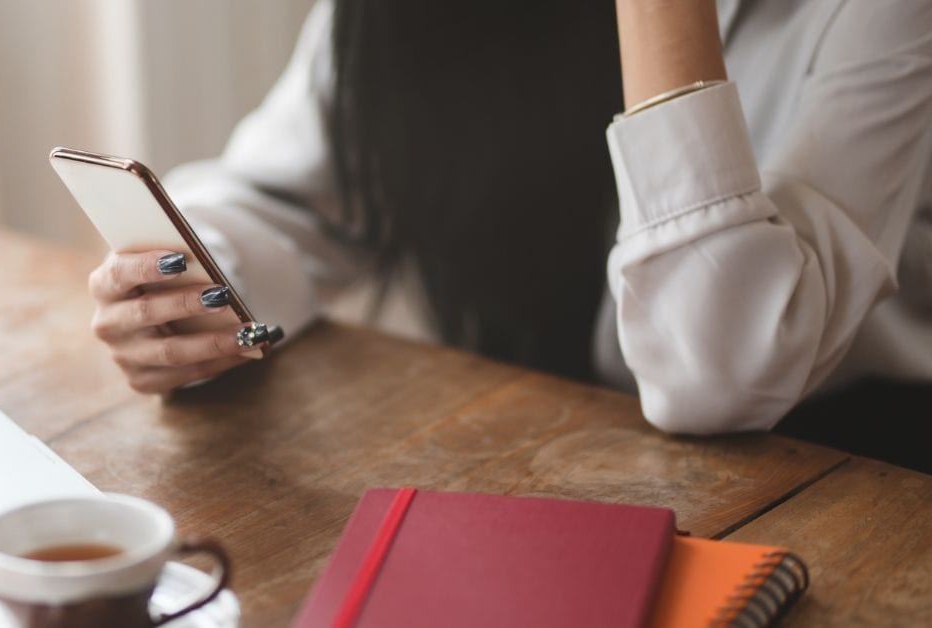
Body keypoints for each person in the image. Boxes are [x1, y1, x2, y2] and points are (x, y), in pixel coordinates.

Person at [86, 0, 932, 466]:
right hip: (529, 462)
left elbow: (722, 373)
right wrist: (194, 295)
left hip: (847, 472)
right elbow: (280, 199)